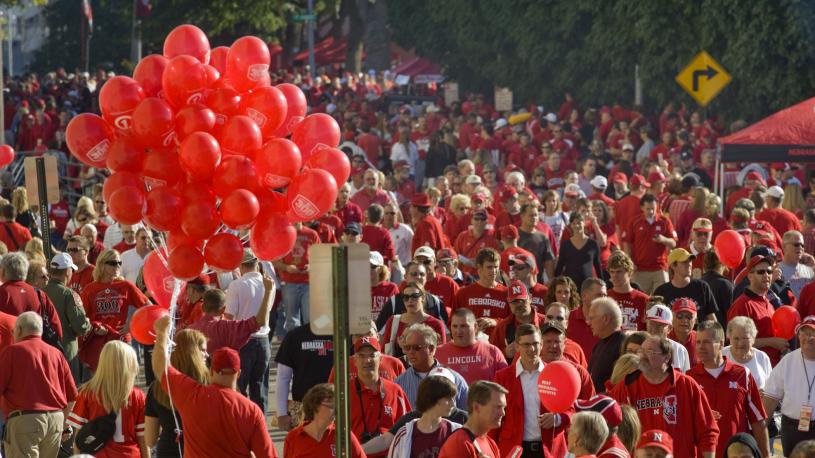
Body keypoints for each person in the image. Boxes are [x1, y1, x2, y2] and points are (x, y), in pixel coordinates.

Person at [151, 315, 276, 457]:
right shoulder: (251, 410)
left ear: (211, 371)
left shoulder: (192, 394)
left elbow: (161, 367)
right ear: (239, 374)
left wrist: (162, 332)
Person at [609, 336, 719, 458]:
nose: (643, 356)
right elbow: (610, 429)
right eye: (641, 351)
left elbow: (707, 431)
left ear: (666, 357)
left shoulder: (686, 385)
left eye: (650, 351)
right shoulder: (626, 386)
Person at [685, 320, 769, 457]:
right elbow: (683, 424)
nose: (700, 347)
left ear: (721, 344)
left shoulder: (743, 374)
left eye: (706, 342)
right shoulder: (688, 377)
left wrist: (765, 455)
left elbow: (757, 421)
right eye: (698, 342)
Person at [0, 312, 76, 458]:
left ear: (20, 330)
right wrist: (64, 424)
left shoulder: (11, 352)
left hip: (25, 421)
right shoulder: (57, 354)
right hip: (55, 420)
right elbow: (72, 396)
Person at [493, 323, 567, 457]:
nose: (532, 349)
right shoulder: (502, 377)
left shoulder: (556, 374)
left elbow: (571, 409)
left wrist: (558, 418)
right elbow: (494, 415)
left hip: (549, 449)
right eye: (526, 344)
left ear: (541, 345)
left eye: (536, 343)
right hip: (514, 449)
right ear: (517, 346)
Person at [66, 340, 148, 457]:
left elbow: (79, 438)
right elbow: (143, 439)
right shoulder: (138, 396)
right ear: (130, 364)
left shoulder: (87, 393)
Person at [224, 249, 276, 413]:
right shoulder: (269, 283)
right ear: (257, 263)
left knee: (237, 390)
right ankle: (260, 430)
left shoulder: (237, 285)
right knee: (260, 392)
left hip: (242, 342)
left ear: (241, 265)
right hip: (263, 341)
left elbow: (229, 318)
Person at [145, 329, 208, 457]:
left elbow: (150, 440)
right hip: (202, 451)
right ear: (192, 353)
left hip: (169, 451)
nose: (207, 355)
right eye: (203, 350)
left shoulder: (157, 388)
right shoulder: (210, 386)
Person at [80, 249, 149, 361]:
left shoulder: (125, 285)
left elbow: (147, 307)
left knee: (125, 377)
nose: (117, 266)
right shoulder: (90, 289)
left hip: (121, 340)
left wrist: (132, 325)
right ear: (102, 265)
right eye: (113, 263)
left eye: (119, 263)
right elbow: (82, 317)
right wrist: (94, 327)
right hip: (98, 343)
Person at [350, 335, 412, 458]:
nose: (367, 360)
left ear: (381, 359)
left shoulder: (395, 391)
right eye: (362, 356)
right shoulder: (344, 393)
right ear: (355, 361)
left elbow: (407, 428)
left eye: (372, 355)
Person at [762, 315, 815, 454]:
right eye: (805, 333)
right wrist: (760, 431)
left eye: (814, 334)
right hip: (792, 428)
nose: (809, 338)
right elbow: (770, 397)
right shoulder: (788, 360)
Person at [275, 320, 337, 431]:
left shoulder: (344, 335)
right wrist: (282, 413)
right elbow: (283, 378)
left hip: (338, 410)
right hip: (303, 411)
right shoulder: (294, 336)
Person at [728, 254, 789, 365]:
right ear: (750, 276)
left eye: (769, 272)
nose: (766, 275)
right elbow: (735, 342)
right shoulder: (742, 305)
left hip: (772, 367)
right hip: (752, 369)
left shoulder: (768, 302)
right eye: (761, 272)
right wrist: (772, 342)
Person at [395, 323, 469, 410]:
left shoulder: (455, 379)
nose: (411, 352)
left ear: (431, 349)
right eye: (407, 347)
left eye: (416, 347)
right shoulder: (400, 383)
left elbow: (466, 416)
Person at [387, 373, 461, 458]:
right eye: (448, 398)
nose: (453, 404)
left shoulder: (456, 432)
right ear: (432, 398)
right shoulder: (405, 434)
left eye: (453, 398)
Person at [43, 252, 91, 383]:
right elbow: (80, 326)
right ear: (67, 272)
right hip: (66, 351)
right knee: (70, 392)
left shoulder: (40, 291)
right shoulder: (69, 295)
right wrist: (88, 323)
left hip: (45, 350)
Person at [283, 383, 366, 458]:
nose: (336, 410)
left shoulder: (343, 435)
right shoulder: (293, 438)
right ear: (315, 406)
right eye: (331, 406)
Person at [622, 194, 677, 294]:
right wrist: (630, 262)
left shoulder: (664, 221)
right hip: (640, 269)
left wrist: (663, 239)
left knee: (661, 300)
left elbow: (673, 243)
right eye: (648, 209)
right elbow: (627, 244)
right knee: (640, 299)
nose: (651, 211)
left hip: (659, 268)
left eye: (653, 208)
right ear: (642, 207)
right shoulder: (634, 222)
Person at [436, 308, 508, 384]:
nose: (458, 331)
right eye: (455, 326)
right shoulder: (438, 353)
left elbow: (507, 382)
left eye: (463, 326)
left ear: (475, 327)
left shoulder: (492, 352)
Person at [437, 380, 506, 458]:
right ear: (477, 407)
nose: (503, 413)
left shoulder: (491, 443)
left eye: (503, 407)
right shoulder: (460, 443)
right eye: (498, 407)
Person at [0, 251, 63, 335]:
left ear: (3, 271)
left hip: (7, 345)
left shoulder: (2, 292)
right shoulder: (39, 294)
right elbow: (57, 327)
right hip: (37, 345)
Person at [381, 282, 447, 358]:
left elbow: (441, 355)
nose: (410, 300)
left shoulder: (436, 324)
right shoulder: (393, 321)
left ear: (423, 297)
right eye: (406, 297)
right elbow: (384, 354)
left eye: (414, 296)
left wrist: (407, 348)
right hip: (399, 369)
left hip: (426, 369)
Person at [451, 248, 508, 333]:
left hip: (498, 344)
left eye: (496, 267)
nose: (494, 271)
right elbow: (452, 321)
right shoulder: (464, 293)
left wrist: (495, 322)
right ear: (479, 267)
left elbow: (513, 321)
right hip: (471, 343)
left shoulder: (506, 293)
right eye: (489, 267)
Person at [652, 248, 718, 321]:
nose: (689, 264)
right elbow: (655, 321)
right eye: (684, 262)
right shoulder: (661, 292)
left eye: (690, 261)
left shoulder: (702, 287)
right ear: (673, 266)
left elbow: (712, 318)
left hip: (699, 332)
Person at [490, 280, 545, 361]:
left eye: (522, 300)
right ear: (509, 302)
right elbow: (491, 356)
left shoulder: (545, 322)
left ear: (530, 298)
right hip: (513, 372)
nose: (519, 305)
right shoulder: (502, 327)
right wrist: (505, 353)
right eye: (514, 301)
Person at [555, 211, 603, 289]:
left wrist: (602, 283)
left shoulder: (593, 244)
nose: (576, 225)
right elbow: (560, 265)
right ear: (570, 225)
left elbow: (597, 266)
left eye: (579, 223)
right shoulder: (565, 245)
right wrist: (555, 282)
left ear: (584, 223)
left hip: (587, 286)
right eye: (573, 223)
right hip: (570, 286)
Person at [722, 316, 772, 390]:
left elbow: (770, 389)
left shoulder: (762, 357)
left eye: (745, 338)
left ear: (753, 339)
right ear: (729, 338)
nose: (740, 343)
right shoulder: (721, 356)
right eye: (736, 338)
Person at [588, 297, 626, 392]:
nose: (588, 322)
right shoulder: (599, 344)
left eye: (591, 318)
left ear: (605, 319)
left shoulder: (623, 344)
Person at [607, 251, 649, 331]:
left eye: (619, 272)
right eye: (612, 272)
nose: (615, 275)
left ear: (629, 273)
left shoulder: (644, 300)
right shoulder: (605, 298)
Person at [567, 277, 607, 360]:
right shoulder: (568, 318)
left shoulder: (609, 321)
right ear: (584, 296)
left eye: (605, 295)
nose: (603, 299)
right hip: (574, 370)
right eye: (599, 295)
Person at [643, 304, 690, 372]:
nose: (655, 329)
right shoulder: (638, 345)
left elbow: (685, 379)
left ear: (669, 329)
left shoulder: (680, 350)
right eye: (652, 324)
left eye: (660, 326)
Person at [517, 203, 555, 280]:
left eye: (536, 215)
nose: (534, 218)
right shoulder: (516, 236)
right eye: (531, 215)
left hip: (537, 282)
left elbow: (548, 262)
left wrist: (551, 280)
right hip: (518, 283)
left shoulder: (543, 237)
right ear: (522, 216)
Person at [700, 250, 733, 325]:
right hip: (720, 333)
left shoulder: (698, 283)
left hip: (701, 333)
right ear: (722, 262)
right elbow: (732, 315)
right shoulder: (725, 285)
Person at [779, 230, 815, 298]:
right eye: (796, 245)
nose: (800, 248)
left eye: (802, 245)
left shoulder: (809, 270)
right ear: (784, 246)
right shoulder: (775, 270)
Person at [666, 298, 699, 366]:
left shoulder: (700, 339)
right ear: (671, 318)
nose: (684, 320)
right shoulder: (664, 338)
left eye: (689, 317)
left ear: (696, 320)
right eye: (679, 316)